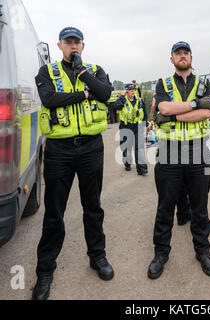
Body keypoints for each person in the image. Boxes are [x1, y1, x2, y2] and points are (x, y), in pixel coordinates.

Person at [32, 27, 113, 300]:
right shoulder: (47, 73)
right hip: (59, 150)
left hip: (91, 148)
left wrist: (83, 74)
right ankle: (44, 271)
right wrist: (83, 94)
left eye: (77, 42)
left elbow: (104, 94)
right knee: (54, 212)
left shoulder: (95, 69)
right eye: (68, 42)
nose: (73, 46)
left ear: (83, 45)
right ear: (59, 45)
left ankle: (97, 257)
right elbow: (49, 99)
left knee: (93, 207)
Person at [148, 41, 210, 279]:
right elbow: (162, 109)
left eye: (186, 52)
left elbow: (207, 112)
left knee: (199, 206)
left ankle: (203, 251)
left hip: (197, 150)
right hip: (169, 151)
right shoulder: (163, 83)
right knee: (165, 207)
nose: (183, 56)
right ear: (172, 59)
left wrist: (176, 114)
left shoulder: (203, 82)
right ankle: (161, 253)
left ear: (191, 56)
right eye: (178, 53)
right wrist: (193, 108)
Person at [115, 83, 148, 175]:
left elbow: (144, 113)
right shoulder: (122, 100)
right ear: (126, 91)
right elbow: (117, 107)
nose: (133, 91)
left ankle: (141, 168)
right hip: (125, 127)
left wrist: (145, 124)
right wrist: (121, 97)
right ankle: (127, 163)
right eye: (130, 89)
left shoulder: (139, 101)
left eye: (133, 89)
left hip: (138, 126)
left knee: (139, 147)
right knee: (126, 147)